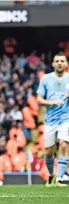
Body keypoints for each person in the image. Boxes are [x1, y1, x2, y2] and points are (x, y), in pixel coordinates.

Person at [37, 53, 69, 187]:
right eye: (57, 61)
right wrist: (52, 103)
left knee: (63, 144)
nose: (60, 63)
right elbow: (39, 99)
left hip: (66, 118)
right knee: (49, 151)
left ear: (66, 64)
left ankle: (60, 178)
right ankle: (51, 176)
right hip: (50, 119)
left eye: (62, 61)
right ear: (53, 64)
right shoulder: (45, 78)